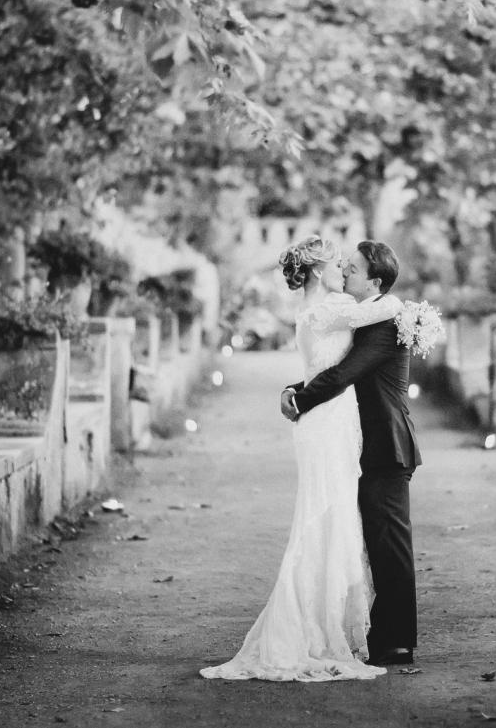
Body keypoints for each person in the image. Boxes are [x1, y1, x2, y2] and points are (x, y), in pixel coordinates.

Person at [200, 235, 401, 681]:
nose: (342, 271)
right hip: (327, 422)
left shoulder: (311, 310)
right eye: (336, 265)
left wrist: (293, 390)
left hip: (325, 421)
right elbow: (383, 308)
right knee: (324, 519)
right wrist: (406, 303)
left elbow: (321, 368)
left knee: (327, 517)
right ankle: (308, 631)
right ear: (315, 271)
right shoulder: (328, 307)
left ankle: (321, 625)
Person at [281, 240, 421, 667]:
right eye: (343, 265)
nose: (346, 270)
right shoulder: (361, 317)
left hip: (386, 443)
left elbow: (345, 373)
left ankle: (397, 641)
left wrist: (299, 400)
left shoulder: (384, 319)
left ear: (375, 282)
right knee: (373, 543)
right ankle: (380, 636)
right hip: (361, 445)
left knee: (390, 544)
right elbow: (333, 364)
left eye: (354, 269)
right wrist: (295, 387)